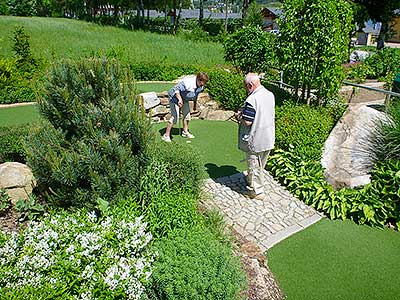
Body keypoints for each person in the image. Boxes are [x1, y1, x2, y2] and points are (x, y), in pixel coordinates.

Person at [236, 73, 275, 200]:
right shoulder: (270, 94)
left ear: (250, 85)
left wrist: (239, 116)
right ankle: (250, 180)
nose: (246, 90)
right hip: (268, 136)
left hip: (256, 138)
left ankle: (257, 192)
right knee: (261, 164)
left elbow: (248, 121)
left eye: (246, 87)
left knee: (254, 165)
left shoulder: (252, 99)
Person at [161, 72, 209, 142]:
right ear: (198, 80)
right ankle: (166, 135)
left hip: (184, 98)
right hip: (174, 97)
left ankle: (185, 132)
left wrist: (195, 105)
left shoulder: (201, 86)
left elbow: (196, 95)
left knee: (187, 116)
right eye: (203, 82)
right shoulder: (188, 83)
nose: (204, 84)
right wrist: (179, 99)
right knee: (175, 117)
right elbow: (176, 89)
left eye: (205, 83)